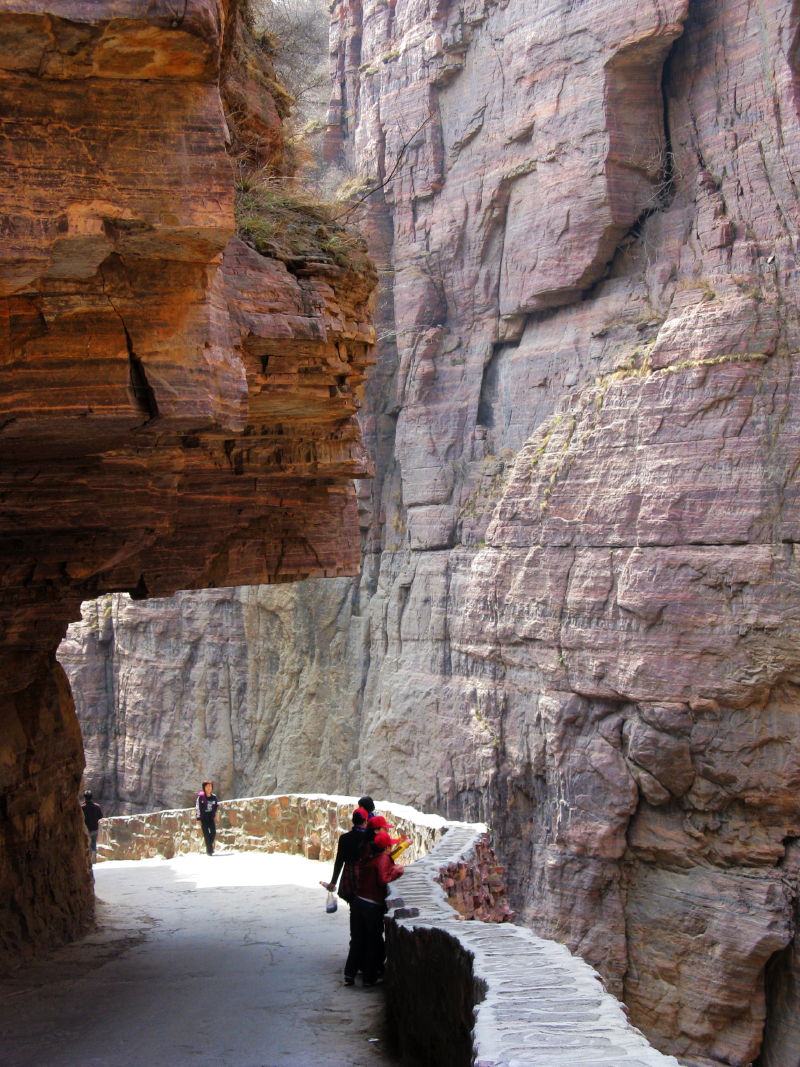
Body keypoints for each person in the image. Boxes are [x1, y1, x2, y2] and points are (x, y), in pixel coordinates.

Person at [344, 830, 404, 986]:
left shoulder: (369, 856)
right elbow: (383, 880)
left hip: (359, 900)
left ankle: (350, 973)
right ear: (387, 848)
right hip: (371, 904)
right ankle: (369, 978)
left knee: (358, 939)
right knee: (373, 941)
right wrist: (396, 872)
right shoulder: (383, 859)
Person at [324, 807, 368, 904]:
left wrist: (333, 882)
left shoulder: (344, 838)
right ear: (365, 821)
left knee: (352, 905)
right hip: (365, 877)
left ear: (353, 821)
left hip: (349, 877)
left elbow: (339, 861)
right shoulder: (369, 838)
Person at [195, 780, 219, 855]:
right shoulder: (201, 797)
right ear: (204, 788)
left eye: (210, 786)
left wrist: (215, 814)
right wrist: (198, 818)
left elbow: (215, 806)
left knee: (213, 832)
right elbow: (198, 807)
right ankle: (209, 850)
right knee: (206, 833)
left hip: (210, 817)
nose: (209, 788)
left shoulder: (214, 797)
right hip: (203, 817)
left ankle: (209, 846)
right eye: (207, 786)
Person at [81, 790, 103, 863]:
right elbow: (100, 816)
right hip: (95, 829)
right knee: (94, 843)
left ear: (84, 798)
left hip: (87, 829)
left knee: (87, 844)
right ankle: (94, 857)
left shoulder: (82, 807)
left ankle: (89, 858)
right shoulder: (96, 806)